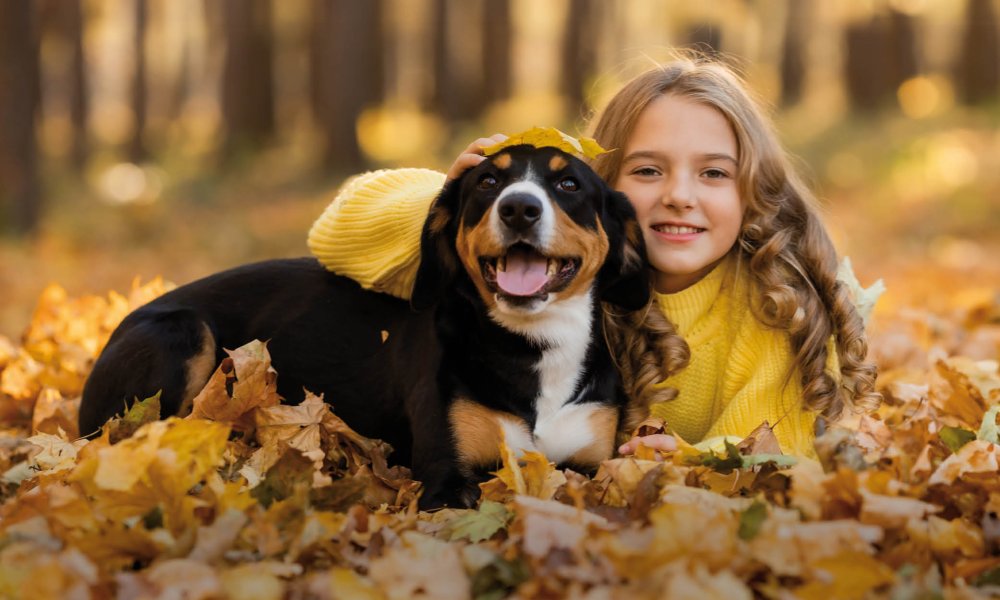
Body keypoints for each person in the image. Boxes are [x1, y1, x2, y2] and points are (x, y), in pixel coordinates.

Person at [307, 54, 881, 458]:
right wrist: (456, 204)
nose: (680, 194)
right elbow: (335, 233)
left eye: (713, 173)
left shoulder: (771, 302)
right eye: (649, 170)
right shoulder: (552, 269)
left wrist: (691, 462)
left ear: (752, 191)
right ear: (601, 191)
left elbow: (777, 441)